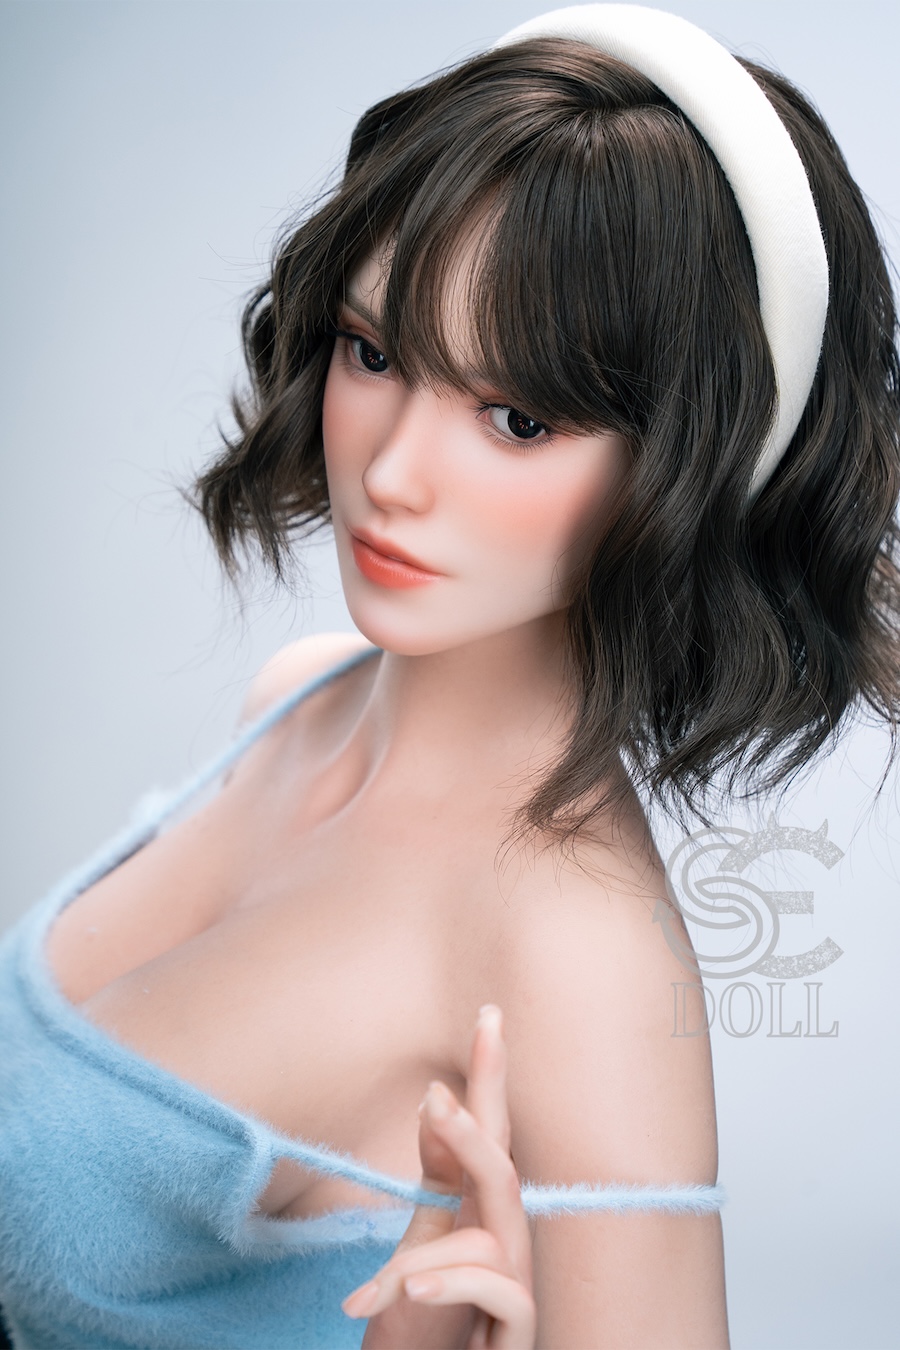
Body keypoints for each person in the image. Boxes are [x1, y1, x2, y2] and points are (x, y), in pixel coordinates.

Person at [1, 5, 898, 1347]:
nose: (393, 471)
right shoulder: (300, 698)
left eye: (517, 418)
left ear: (690, 473)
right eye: (374, 352)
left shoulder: (578, 959)